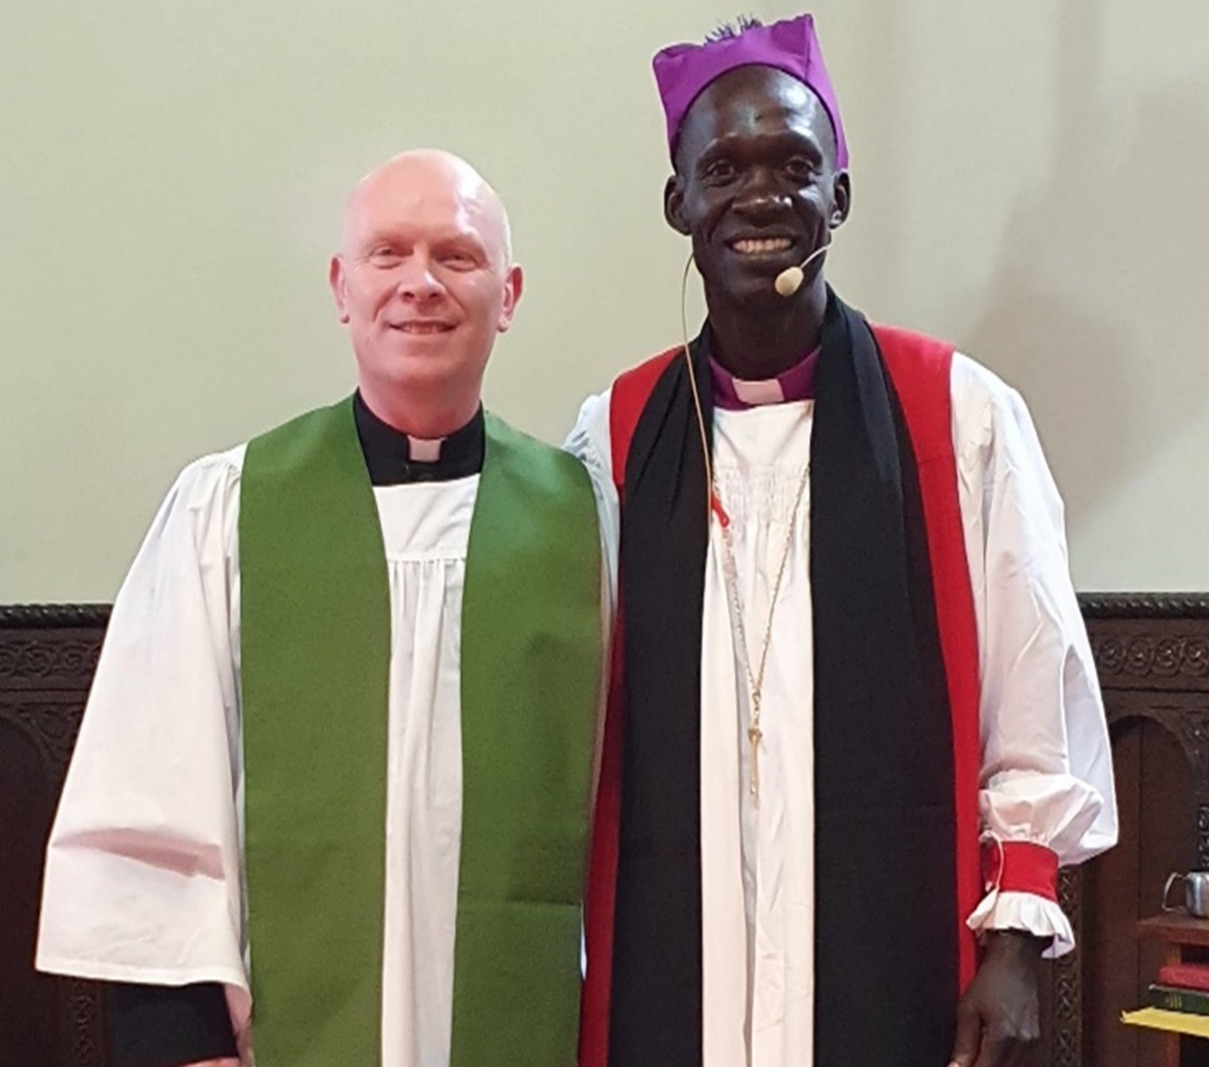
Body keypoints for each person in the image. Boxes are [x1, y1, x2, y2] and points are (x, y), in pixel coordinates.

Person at [566, 14, 1118, 1067]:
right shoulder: (620, 434)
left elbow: (1033, 688)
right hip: (682, 950)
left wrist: (1012, 945)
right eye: (724, 167)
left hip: (894, 954)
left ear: (839, 197)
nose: (762, 195)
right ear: (680, 201)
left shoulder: (958, 414)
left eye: (794, 165)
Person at [37, 149, 604, 1067]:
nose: (419, 282)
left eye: (456, 256)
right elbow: (150, 789)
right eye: (388, 253)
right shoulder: (227, 508)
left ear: (509, 294)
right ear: (343, 286)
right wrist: (179, 1041)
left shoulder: (584, 518)